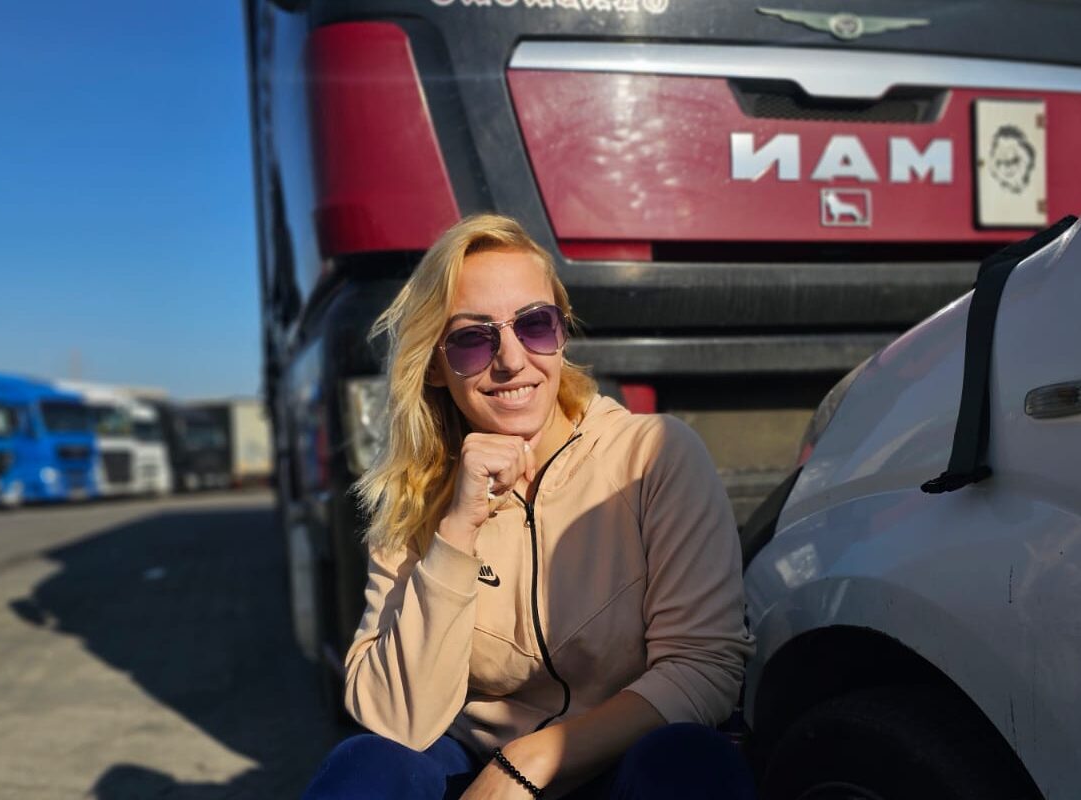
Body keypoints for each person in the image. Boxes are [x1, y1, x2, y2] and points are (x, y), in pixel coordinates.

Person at [301, 214, 757, 799]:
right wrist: (457, 529)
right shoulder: (414, 499)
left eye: (535, 324)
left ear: (562, 332)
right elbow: (394, 720)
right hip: (467, 763)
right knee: (366, 767)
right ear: (435, 365)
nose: (512, 360)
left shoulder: (653, 455)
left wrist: (529, 761)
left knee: (689, 762)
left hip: (621, 756)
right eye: (472, 339)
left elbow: (704, 668)